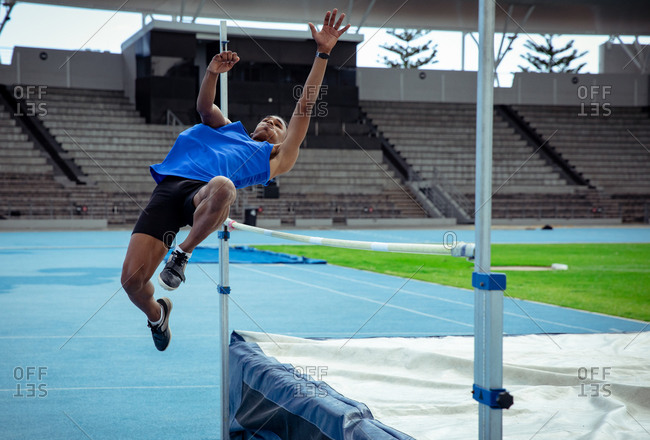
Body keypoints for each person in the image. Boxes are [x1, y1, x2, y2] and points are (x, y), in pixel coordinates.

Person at [121, 9, 351, 351]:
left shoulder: (275, 159)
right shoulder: (229, 130)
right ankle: (158, 315)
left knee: (225, 186)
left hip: (203, 196)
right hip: (169, 189)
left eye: (278, 123)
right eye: (268, 118)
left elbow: (304, 106)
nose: (271, 122)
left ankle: (182, 256)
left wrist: (322, 54)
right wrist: (212, 71)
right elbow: (203, 106)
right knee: (131, 282)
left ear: (281, 140)